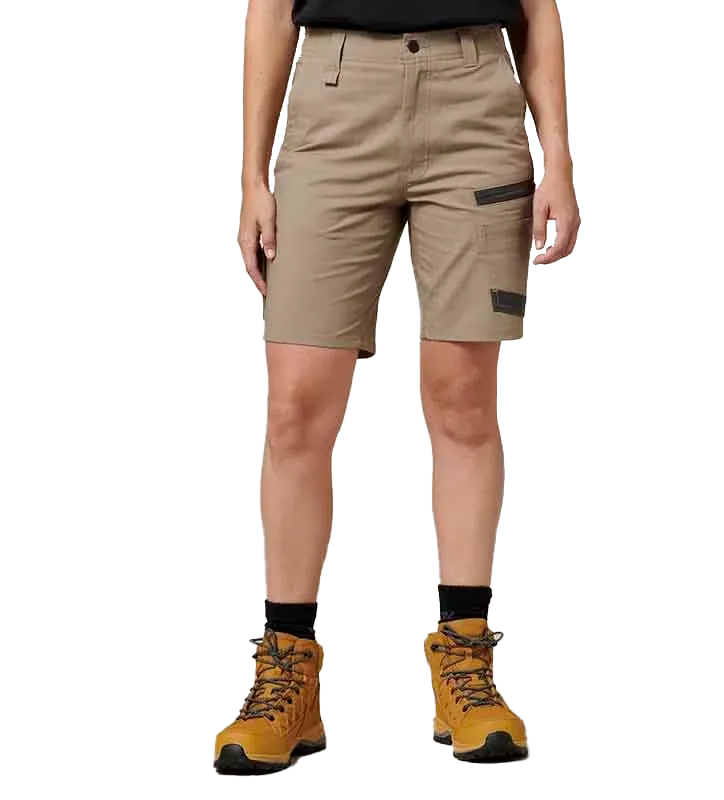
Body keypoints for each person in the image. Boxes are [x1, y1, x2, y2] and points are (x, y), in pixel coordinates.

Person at [214, 0, 579, 775]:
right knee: (294, 406)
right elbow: (270, 10)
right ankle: (286, 674)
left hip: (475, 103)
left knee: (464, 400)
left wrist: (558, 156)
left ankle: (467, 664)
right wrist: (251, 172)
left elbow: (538, 8)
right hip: (332, 100)